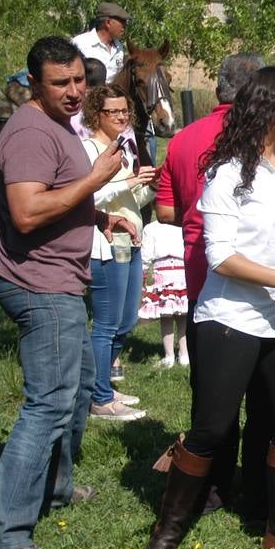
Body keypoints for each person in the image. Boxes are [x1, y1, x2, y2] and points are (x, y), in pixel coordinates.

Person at [142, 66, 275, 549]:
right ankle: (166, 534)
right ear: (267, 111)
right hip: (228, 321)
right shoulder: (227, 174)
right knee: (212, 429)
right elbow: (220, 258)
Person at [0, 37, 133, 549]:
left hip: (60, 278)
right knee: (47, 405)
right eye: (60, 83)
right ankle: (1, 536)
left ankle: (54, 488)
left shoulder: (58, 126)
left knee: (77, 386)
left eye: (79, 80)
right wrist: (96, 181)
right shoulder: (33, 132)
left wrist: (98, 218)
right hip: (40, 286)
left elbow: (56, 198)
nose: (73, 91)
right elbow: (27, 212)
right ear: (34, 83)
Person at [155, 53, 269, 519]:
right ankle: (258, 488)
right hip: (258, 284)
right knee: (263, 396)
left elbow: (165, 210)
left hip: (201, 280)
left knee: (211, 397)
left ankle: (213, 488)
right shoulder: (266, 140)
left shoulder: (182, 139)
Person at [81, 84, 157, 421]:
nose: (122, 117)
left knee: (126, 321)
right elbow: (86, 197)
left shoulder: (122, 148)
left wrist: (147, 186)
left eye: (126, 111)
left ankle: (103, 387)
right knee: (107, 323)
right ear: (96, 114)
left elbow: (129, 202)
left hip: (130, 241)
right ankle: (98, 397)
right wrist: (128, 183)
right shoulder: (88, 148)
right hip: (104, 244)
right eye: (114, 111)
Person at [138, 220, 189, 367]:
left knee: (169, 317)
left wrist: (142, 272)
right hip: (176, 271)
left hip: (170, 271)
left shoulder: (152, 228)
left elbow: (145, 255)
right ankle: (180, 354)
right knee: (180, 317)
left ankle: (173, 355)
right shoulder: (182, 223)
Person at [71, 3, 130, 85]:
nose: (125, 26)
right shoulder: (81, 43)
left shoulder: (119, 47)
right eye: (122, 22)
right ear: (108, 23)